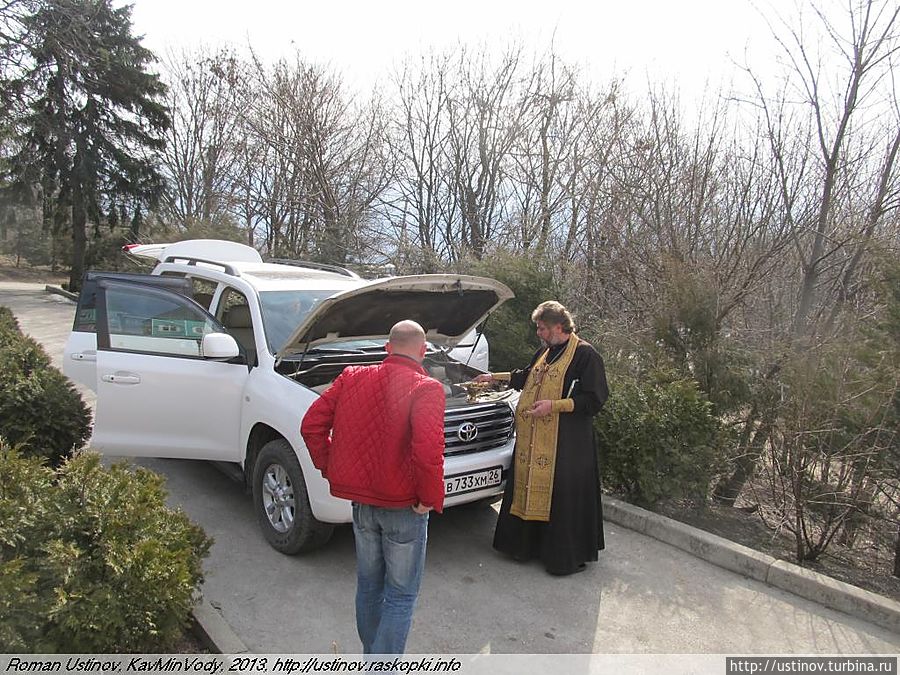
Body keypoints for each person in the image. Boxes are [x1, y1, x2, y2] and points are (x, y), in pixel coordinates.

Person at [300, 320, 445, 654]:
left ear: (387, 348)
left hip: (362, 506)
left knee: (369, 584)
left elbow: (311, 425)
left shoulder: (351, 376)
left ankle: (372, 658)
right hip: (405, 507)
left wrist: (329, 468)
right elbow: (427, 452)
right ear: (423, 352)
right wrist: (429, 499)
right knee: (401, 593)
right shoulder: (427, 388)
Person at [475, 301, 609, 576]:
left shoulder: (586, 355)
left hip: (567, 444)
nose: (538, 332)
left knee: (561, 498)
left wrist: (554, 405)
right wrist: (493, 378)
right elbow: (526, 377)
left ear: (559, 326)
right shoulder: (547, 351)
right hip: (532, 439)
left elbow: (594, 399)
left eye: (542, 327)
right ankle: (526, 547)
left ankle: (561, 557)